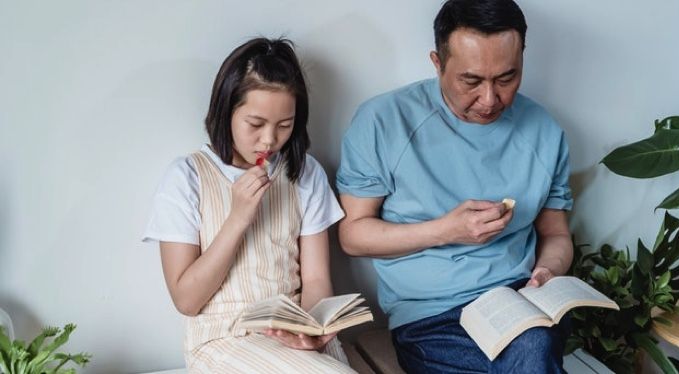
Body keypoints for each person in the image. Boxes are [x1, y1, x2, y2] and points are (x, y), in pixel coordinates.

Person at [336, 0, 573, 372]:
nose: (490, 99)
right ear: (437, 63)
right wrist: (447, 230)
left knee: (533, 344)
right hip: (432, 318)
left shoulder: (545, 131)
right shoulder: (383, 121)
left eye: (507, 79)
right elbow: (352, 235)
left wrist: (548, 272)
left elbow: (556, 234)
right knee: (533, 353)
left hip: (520, 302)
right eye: (471, 81)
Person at [143, 38, 355, 373]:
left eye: (284, 126)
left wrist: (313, 330)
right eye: (256, 124)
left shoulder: (305, 172)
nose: (270, 140)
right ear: (226, 110)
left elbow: (315, 279)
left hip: (296, 331)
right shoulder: (187, 177)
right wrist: (238, 218)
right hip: (223, 338)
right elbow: (186, 299)